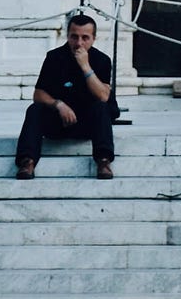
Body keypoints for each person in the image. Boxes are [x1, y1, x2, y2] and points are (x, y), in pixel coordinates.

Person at [15, 13, 118, 181]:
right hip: (59, 121)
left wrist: (85, 67)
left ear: (94, 38)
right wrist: (58, 105)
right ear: (67, 36)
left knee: (101, 108)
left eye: (85, 38)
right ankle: (27, 161)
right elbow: (38, 94)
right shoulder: (54, 57)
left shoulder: (101, 60)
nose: (79, 43)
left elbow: (103, 96)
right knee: (35, 110)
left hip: (88, 123)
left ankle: (103, 161)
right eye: (74, 37)